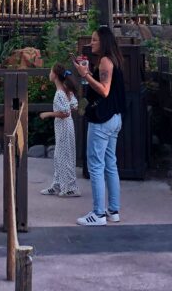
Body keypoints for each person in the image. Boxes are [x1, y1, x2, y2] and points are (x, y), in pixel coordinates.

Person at [73, 25, 126, 226]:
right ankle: (113, 210)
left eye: (94, 40)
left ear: (103, 42)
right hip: (115, 117)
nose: (91, 43)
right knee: (110, 164)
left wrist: (85, 75)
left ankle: (98, 213)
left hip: (103, 119)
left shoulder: (105, 61)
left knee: (96, 165)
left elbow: (104, 90)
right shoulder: (115, 60)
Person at [39, 63, 80, 197]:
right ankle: (57, 184)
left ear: (55, 75)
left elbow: (66, 112)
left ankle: (70, 188)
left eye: (51, 72)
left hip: (64, 127)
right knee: (60, 156)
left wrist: (48, 114)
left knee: (64, 156)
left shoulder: (60, 94)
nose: (49, 74)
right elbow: (74, 106)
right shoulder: (66, 91)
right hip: (65, 126)